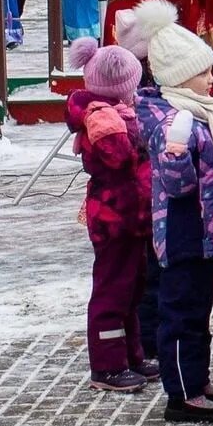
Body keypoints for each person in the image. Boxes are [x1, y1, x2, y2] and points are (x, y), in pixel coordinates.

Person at [130, 0, 213, 424]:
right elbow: (177, 182)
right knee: (180, 310)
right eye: (204, 72)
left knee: (199, 308)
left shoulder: (199, 112)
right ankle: (181, 392)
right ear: (178, 76)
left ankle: (198, 377)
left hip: (203, 228)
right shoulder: (173, 120)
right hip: (181, 229)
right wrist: (181, 154)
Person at [65, 37, 153, 394]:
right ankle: (107, 364)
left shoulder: (115, 112)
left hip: (130, 216)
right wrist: (138, 137)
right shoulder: (104, 118)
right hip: (115, 216)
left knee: (131, 288)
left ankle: (131, 355)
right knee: (112, 291)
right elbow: (118, 157)